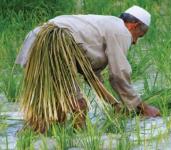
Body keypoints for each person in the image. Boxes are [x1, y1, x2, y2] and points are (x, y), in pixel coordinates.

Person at [16, 5, 160, 133]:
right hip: (55, 41)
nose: (134, 42)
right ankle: (79, 142)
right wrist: (141, 107)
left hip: (36, 38)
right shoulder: (121, 30)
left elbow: (92, 76)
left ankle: (36, 138)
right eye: (139, 36)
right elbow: (119, 74)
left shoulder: (101, 25)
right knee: (79, 107)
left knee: (50, 109)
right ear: (134, 25)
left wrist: (114, 104)